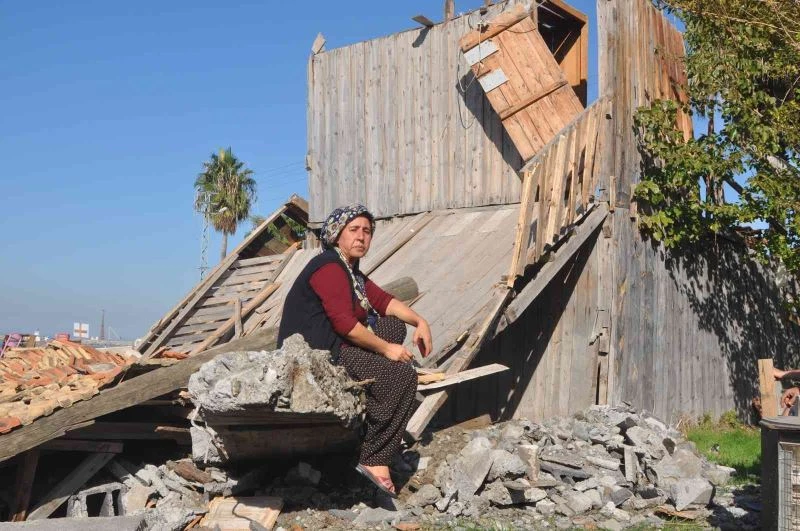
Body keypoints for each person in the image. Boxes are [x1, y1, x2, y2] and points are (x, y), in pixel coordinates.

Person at [277, 204, 432, 497]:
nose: (362, 237)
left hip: (336, 342)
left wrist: (420, 321)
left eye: (367, 231)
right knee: (402, 377)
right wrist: (387, 351)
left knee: (393, 325)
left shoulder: (350, 271)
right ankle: (375, 459)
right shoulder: (329, 267)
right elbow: (345, 324)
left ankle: (380, 401)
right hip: (317, 353)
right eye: (354, 230)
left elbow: (384, 300)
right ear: (337, 235)